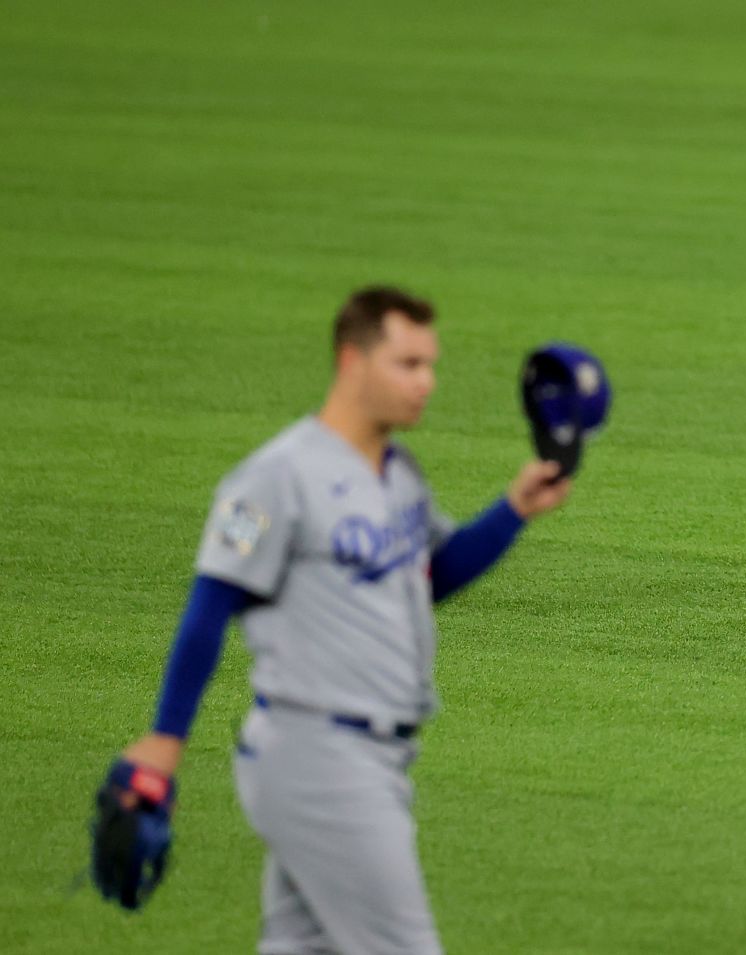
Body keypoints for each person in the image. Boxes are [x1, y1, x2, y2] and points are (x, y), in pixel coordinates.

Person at [107, 286, 572, 952]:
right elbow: (210, 604)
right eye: (408, 364)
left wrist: (513, 511)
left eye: (430, 365)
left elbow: (427, 577)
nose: (427, 383)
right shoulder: (270, 478)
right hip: (320, 758)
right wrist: (164, 740)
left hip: (369, 757)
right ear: (352, 361)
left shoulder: (398, 474)